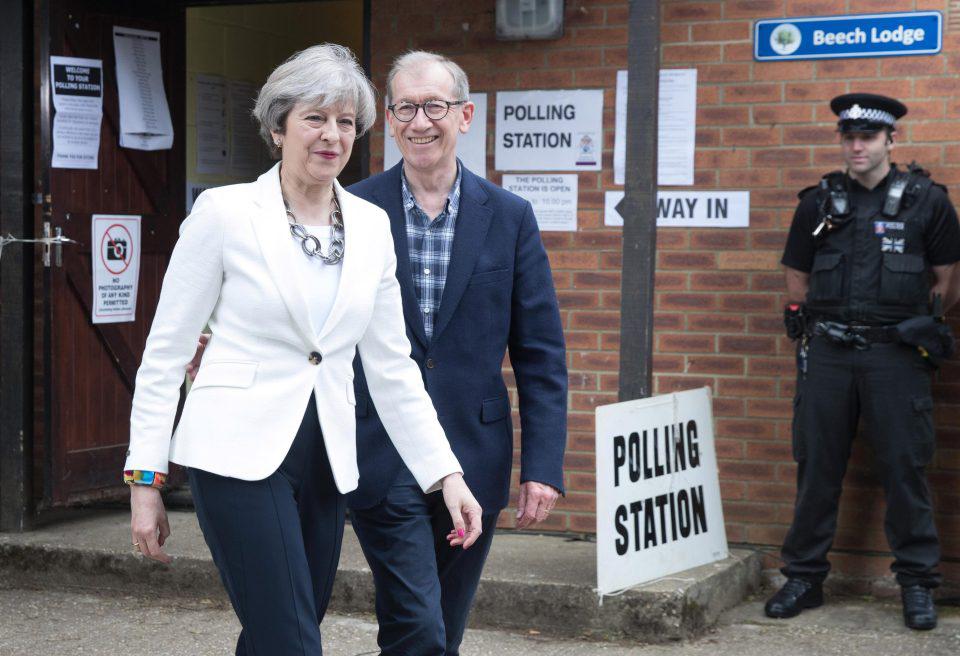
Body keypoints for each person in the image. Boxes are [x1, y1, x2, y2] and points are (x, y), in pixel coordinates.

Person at [124, 44, 482, 656]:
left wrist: (445, 474)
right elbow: (164, 354)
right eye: (315, 118)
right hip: (234, 455)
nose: (332, 135)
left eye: (346, 122)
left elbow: (394, 370)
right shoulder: (225, 214)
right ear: (277, 126)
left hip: (326, 459)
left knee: (286, 626)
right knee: (290, 638)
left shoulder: (371, 227)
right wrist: (145, 480)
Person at [346, 51, 568, 655]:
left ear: (465, 115)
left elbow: (540, 351)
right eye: (406, 108)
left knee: (444, 626)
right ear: (389, 121)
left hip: (475, 453)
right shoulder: (354, 211)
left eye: (435, 106)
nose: (421, 122)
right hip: (383, 450)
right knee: (415, 623)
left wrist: (543, 465)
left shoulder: (511, 217)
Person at [769, 93, 960, 631]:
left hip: (896, 357)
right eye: (848, 137)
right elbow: (797, 274)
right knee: (817, 469)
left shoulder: (928, 201)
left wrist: (915, 325)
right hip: (827, 353)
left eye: (868, 137)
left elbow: (948, 281)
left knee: (906, 470)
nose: (856, 146)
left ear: (890, 141)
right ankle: (803, 577)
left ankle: (919, 585)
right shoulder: (819, 202)